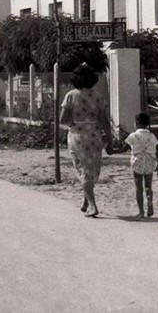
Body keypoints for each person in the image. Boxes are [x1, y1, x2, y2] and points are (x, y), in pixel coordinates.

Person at [59, 63, 112, 218]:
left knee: (82, 170)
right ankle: (86, 202)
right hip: (95, 136)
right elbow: (105, 121)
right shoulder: (98, 97)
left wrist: (73, 123)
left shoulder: (71, 95)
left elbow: (62, 119)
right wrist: (110, 141)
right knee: (91, 170)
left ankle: (93, 206)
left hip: (77, 136)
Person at [124, 112, 158, 218]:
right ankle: (149, 197)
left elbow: (124, 147)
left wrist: (112, 150)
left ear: (136, 123)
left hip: (137, 161)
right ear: (148, 123)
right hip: (150, 160)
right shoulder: (152, 135)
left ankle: (141, 211)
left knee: (138, 188)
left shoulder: (134, 135)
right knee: (148, 186)